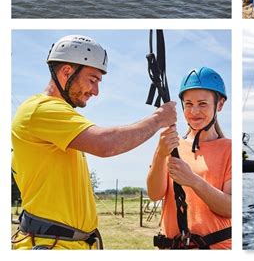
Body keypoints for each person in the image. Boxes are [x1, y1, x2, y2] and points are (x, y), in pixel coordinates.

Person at [11, 35, 177, 250]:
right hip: (52, 244)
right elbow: (106, 144)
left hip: (69, 243)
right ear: (67, 71)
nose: (96, 91)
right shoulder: (41, 110)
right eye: (92, 80)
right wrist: (158, 119)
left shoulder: (60, 119)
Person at [147, 67, 231, 250]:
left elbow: (230, 208)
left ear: (220, 104)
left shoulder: (229, 149)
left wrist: (193, 181)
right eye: (188, 104)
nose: (194, 111)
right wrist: (161, 154)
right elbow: (154, 194)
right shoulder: (170, 144)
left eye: (202, 104)